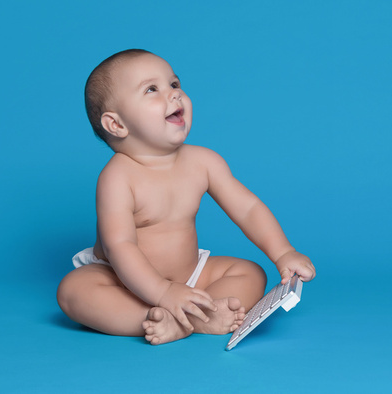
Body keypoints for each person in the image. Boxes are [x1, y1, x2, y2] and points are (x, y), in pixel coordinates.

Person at [56, 49, 316, 345]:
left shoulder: (203, 162)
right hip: (125, 281)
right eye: (152, 89)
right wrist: (164, 292)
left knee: (250, 272)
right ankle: (151, 318)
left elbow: (247, 208)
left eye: (175, 84)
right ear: (117, 125)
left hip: (191, 276)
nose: (174, 95)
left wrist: (283, 252)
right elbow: (120, 247)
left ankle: (190, 318)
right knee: (74, 291)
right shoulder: (118, 177)